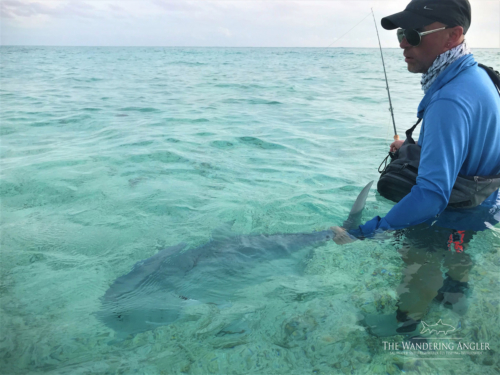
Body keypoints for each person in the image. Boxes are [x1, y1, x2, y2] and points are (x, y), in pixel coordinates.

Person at [331, 0, 500, 336]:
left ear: (453, 35)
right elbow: (474, 141)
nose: (403, 44)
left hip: (448, 211)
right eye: (400, 36)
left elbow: (431, 196)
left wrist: (362, 232)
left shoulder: (449, 98)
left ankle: (408, 334)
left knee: (416, 262)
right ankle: (454, 297)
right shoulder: (478, 75)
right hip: (481, 204)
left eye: (412, 34)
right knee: (457, 249)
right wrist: (414, 149)